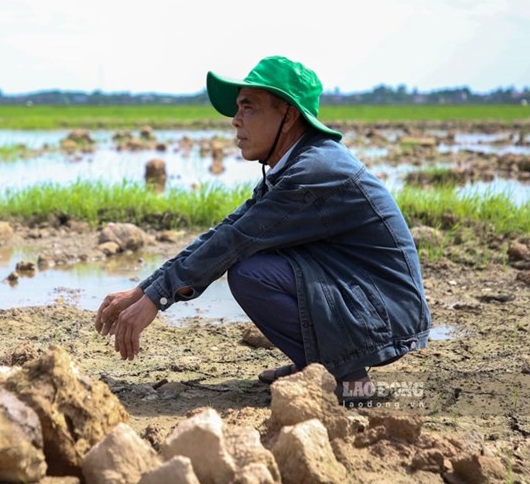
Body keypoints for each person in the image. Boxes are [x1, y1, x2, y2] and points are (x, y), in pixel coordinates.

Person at [95, 55, 431, 400]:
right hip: (365, 299)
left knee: (252, 273)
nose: (236, 121)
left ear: (289, 116)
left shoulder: (314, 172)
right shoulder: (297, 164)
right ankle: (314, 366)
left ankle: (346, 379)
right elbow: (228, 229)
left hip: (385, 312)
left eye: (248, 108)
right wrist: (143, 291)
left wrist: (156, 299)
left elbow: (235, 241)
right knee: (256, 262)